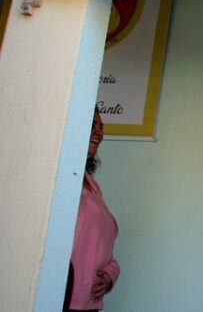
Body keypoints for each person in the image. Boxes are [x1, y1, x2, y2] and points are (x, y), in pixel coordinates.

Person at [66, 107, 121, 311]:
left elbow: (104, 249)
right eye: (92, 125)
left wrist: (110, 275)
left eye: (101, 127)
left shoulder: (92, 186)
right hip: (65, 301)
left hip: (89, 304)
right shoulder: (59, 182)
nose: (99, 132)